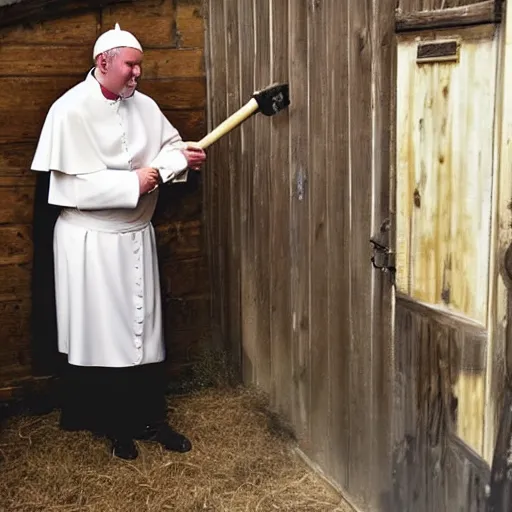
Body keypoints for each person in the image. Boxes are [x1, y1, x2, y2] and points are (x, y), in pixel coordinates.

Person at [30, 23, 206, 460]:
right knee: (102, 336)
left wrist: (174, 163)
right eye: (130, 65)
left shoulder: (144, 106)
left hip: (135, 237)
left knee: (143, 333)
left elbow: (168, 148)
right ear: (102, 63)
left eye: (140, 65)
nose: (137, 74)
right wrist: (134, 182)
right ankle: (113, 424)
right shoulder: (69, 111)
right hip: (91, 244)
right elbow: (69, 190)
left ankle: (150, 418)